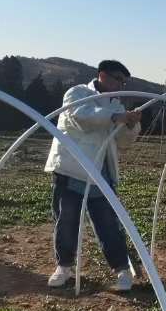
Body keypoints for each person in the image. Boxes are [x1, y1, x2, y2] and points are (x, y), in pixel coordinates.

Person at [44, 60, 141, 291]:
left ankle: (122, 270)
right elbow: (81, 117)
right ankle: (64, 266)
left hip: (101, 173)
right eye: (118, 79)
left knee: (108, 223)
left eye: (124, 82)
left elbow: (124, 140)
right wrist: (116, 117)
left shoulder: (116, 105)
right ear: (102, 76)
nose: (121, 84)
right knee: (67, 221)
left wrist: (130, 125)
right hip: (72, 169)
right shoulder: (78, 92)